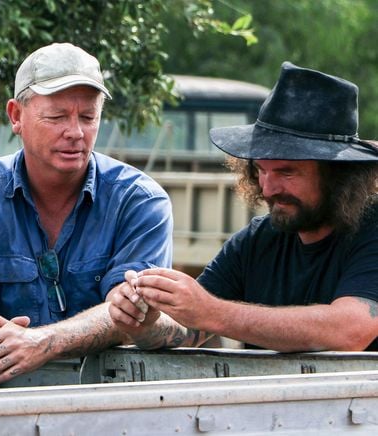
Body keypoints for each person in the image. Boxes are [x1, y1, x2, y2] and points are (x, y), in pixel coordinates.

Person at [0, 42, 173, 384]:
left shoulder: (139, 200)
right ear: (16, 116)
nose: (75, 132)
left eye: (88, 117)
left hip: (105, 400)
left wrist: (42, 343)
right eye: (56, 117)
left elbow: (128, 308)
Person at [110, 62, 378, 352]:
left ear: (339, 177)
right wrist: (143, 322)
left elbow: (350, 331)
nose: (268, 188)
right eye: (261, 170)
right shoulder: (256, 241)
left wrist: (213, 312)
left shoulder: (371, 231)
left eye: (286, 172)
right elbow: (187, 330)